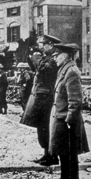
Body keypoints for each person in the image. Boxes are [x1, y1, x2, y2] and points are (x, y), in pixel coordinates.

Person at [49, 43, 89, 179]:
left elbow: (75, 99)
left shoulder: (71, 71)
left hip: (66, 118)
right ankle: (70, 178)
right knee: (64, 150)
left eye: (56, 56)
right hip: (62, 116)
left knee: (67, 151)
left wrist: (69, 119)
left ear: (64, 56)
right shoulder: (65, 70)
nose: (54, 59)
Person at [20, 34, 60, 166]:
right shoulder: (46, 58)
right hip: (41, 97)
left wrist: (36, 61)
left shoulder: (54, 59)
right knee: (41, 127)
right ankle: (46, 153)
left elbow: (47, 70)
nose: (42, 47)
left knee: (46, 126)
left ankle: (52, 155)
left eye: (45, 44)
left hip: (47, 97)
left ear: (51, 45)